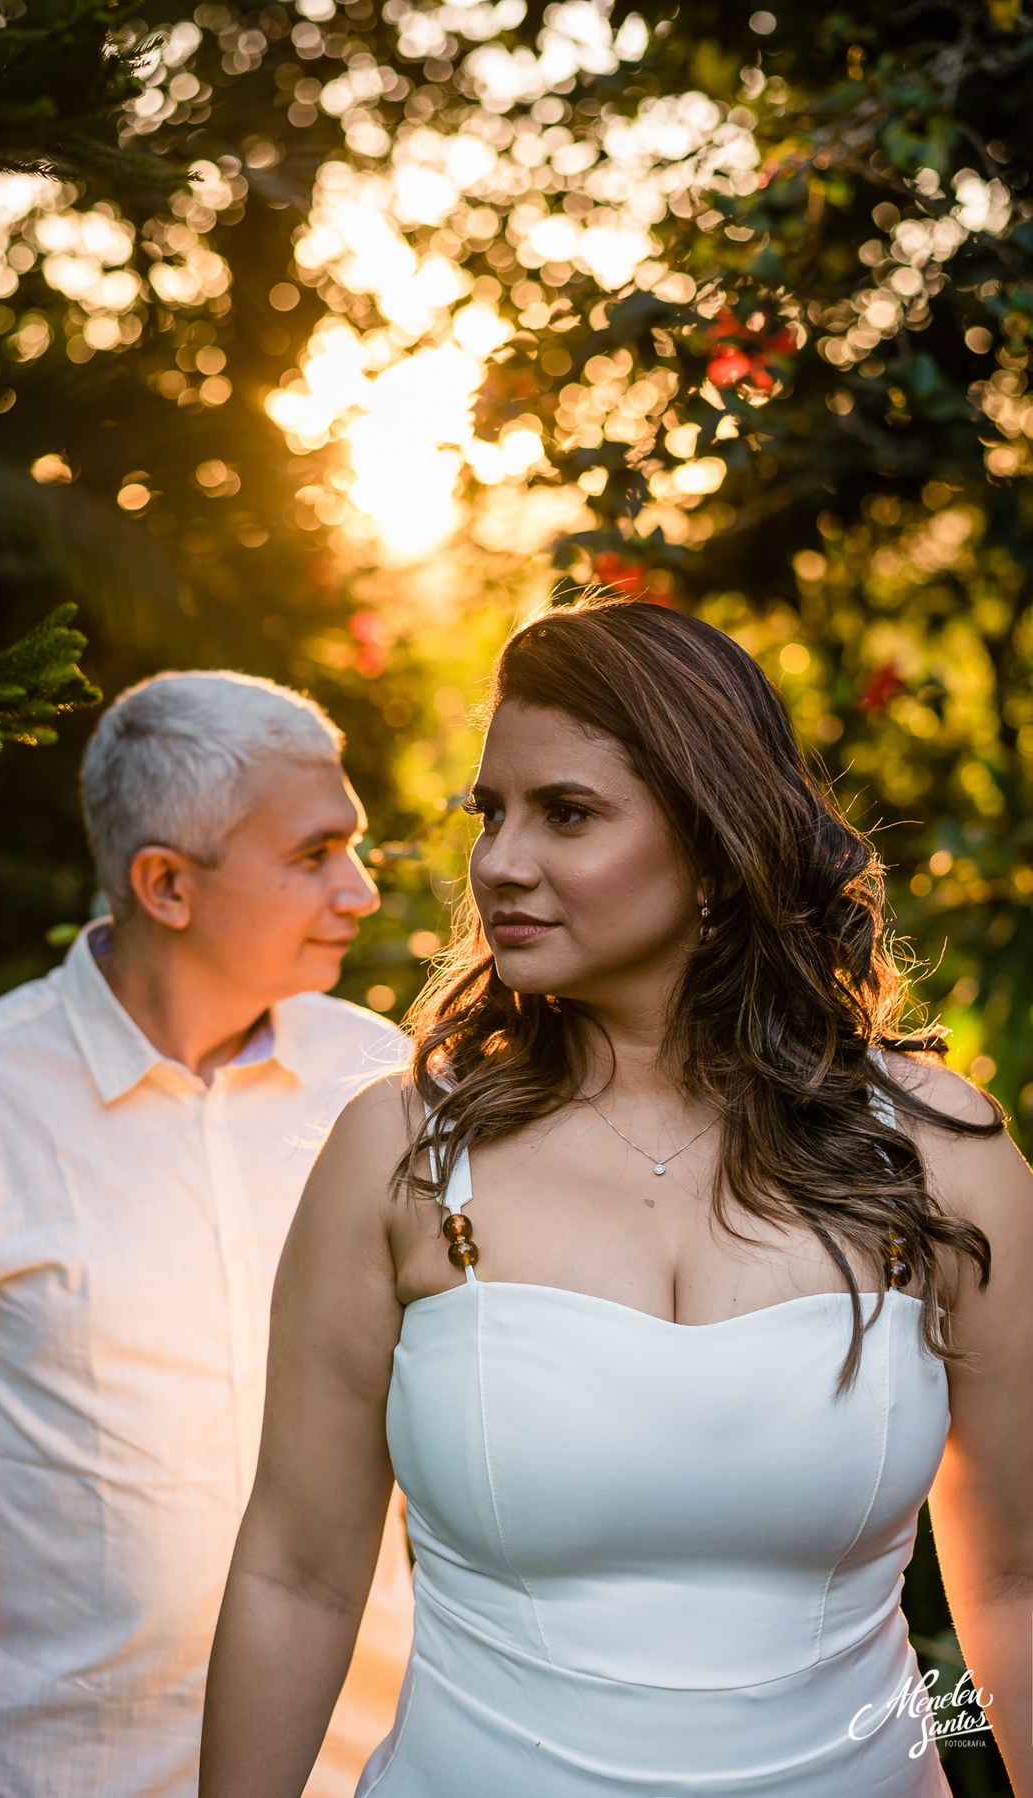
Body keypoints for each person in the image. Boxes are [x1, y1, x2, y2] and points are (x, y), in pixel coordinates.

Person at [199, 600, 1033, 1798]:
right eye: (491, 812)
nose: (500, 861)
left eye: (568, 813)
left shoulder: (942, 1155)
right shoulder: (399, 1152)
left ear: (712, 845)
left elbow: (1012, 1582)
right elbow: (296, 1571)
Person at [0, 670, 413, 1798]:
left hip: (375, 1774)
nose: (360, 892)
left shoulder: (383, 1082)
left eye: (357, 850)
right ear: (166, 884)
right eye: (313, 854)